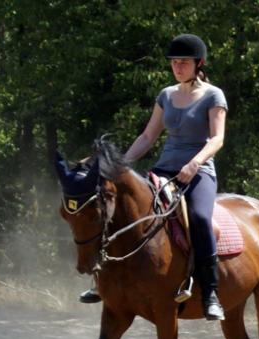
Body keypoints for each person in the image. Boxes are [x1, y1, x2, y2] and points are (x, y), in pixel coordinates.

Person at [81, 34, 228, 321]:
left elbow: (217, 138)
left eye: (183, 62)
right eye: (174, 62)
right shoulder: (166, 95)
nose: (177, 67)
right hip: (164, 170)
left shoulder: (213, 95)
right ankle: (104, 280)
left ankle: (210, 292)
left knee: (198, 217)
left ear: (199, 63)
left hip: (198, 172)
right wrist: (119, 163)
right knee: (122, 209)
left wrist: (195, 163)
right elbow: (148, 135)